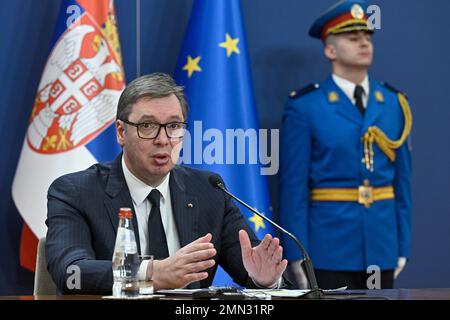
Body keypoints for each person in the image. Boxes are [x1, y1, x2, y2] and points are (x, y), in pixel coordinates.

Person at [46, 73, 288, 294]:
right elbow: (71, 273)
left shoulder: (208, 190)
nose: (163, 140)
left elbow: (250, 268)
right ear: (121, 132)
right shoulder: (76, 192)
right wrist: (152, 273)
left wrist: (264, 279)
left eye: (173, 126)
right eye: (147, 126)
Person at [279, 0, 412, 290]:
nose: (364, 43)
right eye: (353, 38)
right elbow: (294, 189)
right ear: (330, 50)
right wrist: (297, 253)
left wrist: (402, 245)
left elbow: (402, 183)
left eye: (367, 36)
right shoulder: (306, 107)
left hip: (382, 244)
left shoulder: (393, 103)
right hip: (330, 249)